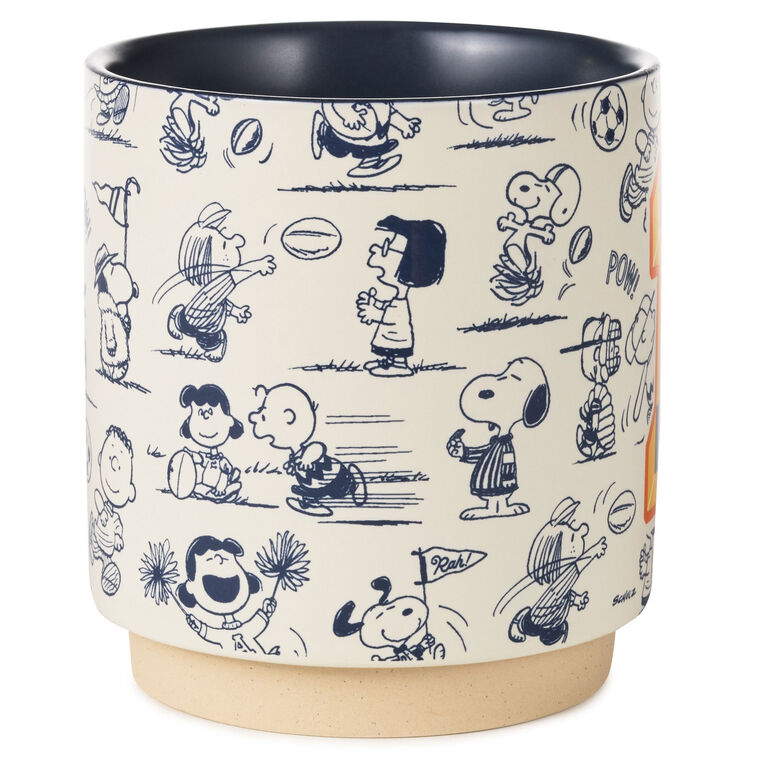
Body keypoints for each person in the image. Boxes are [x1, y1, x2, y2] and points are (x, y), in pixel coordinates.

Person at [167, 203, 276, 362]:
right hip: (194, 318)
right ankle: (176, 318)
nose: (238, 241)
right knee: (188, 325)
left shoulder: (218, 286)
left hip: (208, 324)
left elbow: (222, 304)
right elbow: (236, 275)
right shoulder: (221, 282)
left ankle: (187, 325)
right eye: (224, 244)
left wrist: (236, 311)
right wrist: (257, 266)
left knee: (207, 334)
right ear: (206, 261)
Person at [249, 383, 367, 517]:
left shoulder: (308, 450)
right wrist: (294, 466)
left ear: (288, 418)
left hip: (333, 478)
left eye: (264, 417)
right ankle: (309, 502)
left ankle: (350, 487)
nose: (252, 418)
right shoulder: (297, 453)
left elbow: (318, 448)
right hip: (316, 484)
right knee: (307, 490)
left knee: (337, 490)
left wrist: (306, 460)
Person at [356, 215, 445, 377]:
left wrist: (373, 312)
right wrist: (375, 304)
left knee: (396, 353)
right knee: (387, 350)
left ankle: (398, 365)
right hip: (389, 338)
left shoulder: (400, 304)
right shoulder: (397, 300)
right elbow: (387, 310)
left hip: (397, 341)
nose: (375, 249)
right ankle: (386, 361)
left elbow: (390, 318)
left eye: (386, 247)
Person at [177, 536, 278, 654]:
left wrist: (265, 613)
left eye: (226, 558)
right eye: (209, 559)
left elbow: (254, 627)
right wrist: (200, 627)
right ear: (190, 587)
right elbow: (212, 634)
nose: (219, 560)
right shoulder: (223, 635)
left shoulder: (243, 630)